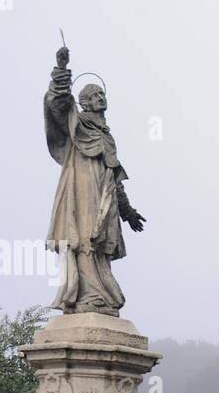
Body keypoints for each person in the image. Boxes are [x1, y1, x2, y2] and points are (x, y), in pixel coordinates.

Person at [44, 45, 146, 316]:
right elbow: (56, 103)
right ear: (84, 103)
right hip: (81, 193)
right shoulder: (74, 124)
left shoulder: (106, 136)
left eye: (102, 93)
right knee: (85, 239)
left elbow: (114, 175)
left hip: (105, 196)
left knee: (100, 244)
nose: (100, 97)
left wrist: (128, 211)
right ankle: (87, 296)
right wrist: (61, 71)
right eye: (93, 95)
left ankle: (101, 294)